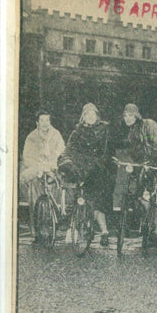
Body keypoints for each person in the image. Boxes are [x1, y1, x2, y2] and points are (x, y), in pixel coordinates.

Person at [57, 102, 112, 246]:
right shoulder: (77, 131)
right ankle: (75, 228)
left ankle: (104, 232)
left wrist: (97, 164)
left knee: (97, 202)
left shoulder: (104, 129)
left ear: (97, 115)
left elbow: (106, 152)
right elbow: (69, 148)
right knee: (77, 197)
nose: (90, 117)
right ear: (83, 116)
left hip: (98, 169)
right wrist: (65, 159)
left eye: (93, 114)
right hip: (82, 169)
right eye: (87, 114)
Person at [20, 109, 65, 239]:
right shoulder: (32, 137)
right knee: (33, 190)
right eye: (42, 120)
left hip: (52, 168)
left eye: (47, 120)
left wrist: (52, 164)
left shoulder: (56, 135)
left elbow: (61, 151)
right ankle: (37, 229)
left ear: (50, 122)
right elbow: (27, 156)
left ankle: (55, 221)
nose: (45, 123)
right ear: (37, 122)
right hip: (37, 170)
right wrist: (40, 167)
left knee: (56, 187)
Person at [112, 103, 157, 210]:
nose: (127, 119)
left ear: (136, 115)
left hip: (155, 164)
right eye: (125, 116)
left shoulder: (149, 124)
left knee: (151, 195)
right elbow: (134, 153)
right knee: (135, 192)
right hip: (143, 166)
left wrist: (149, 161)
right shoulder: (131, 133)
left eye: (130, 115)